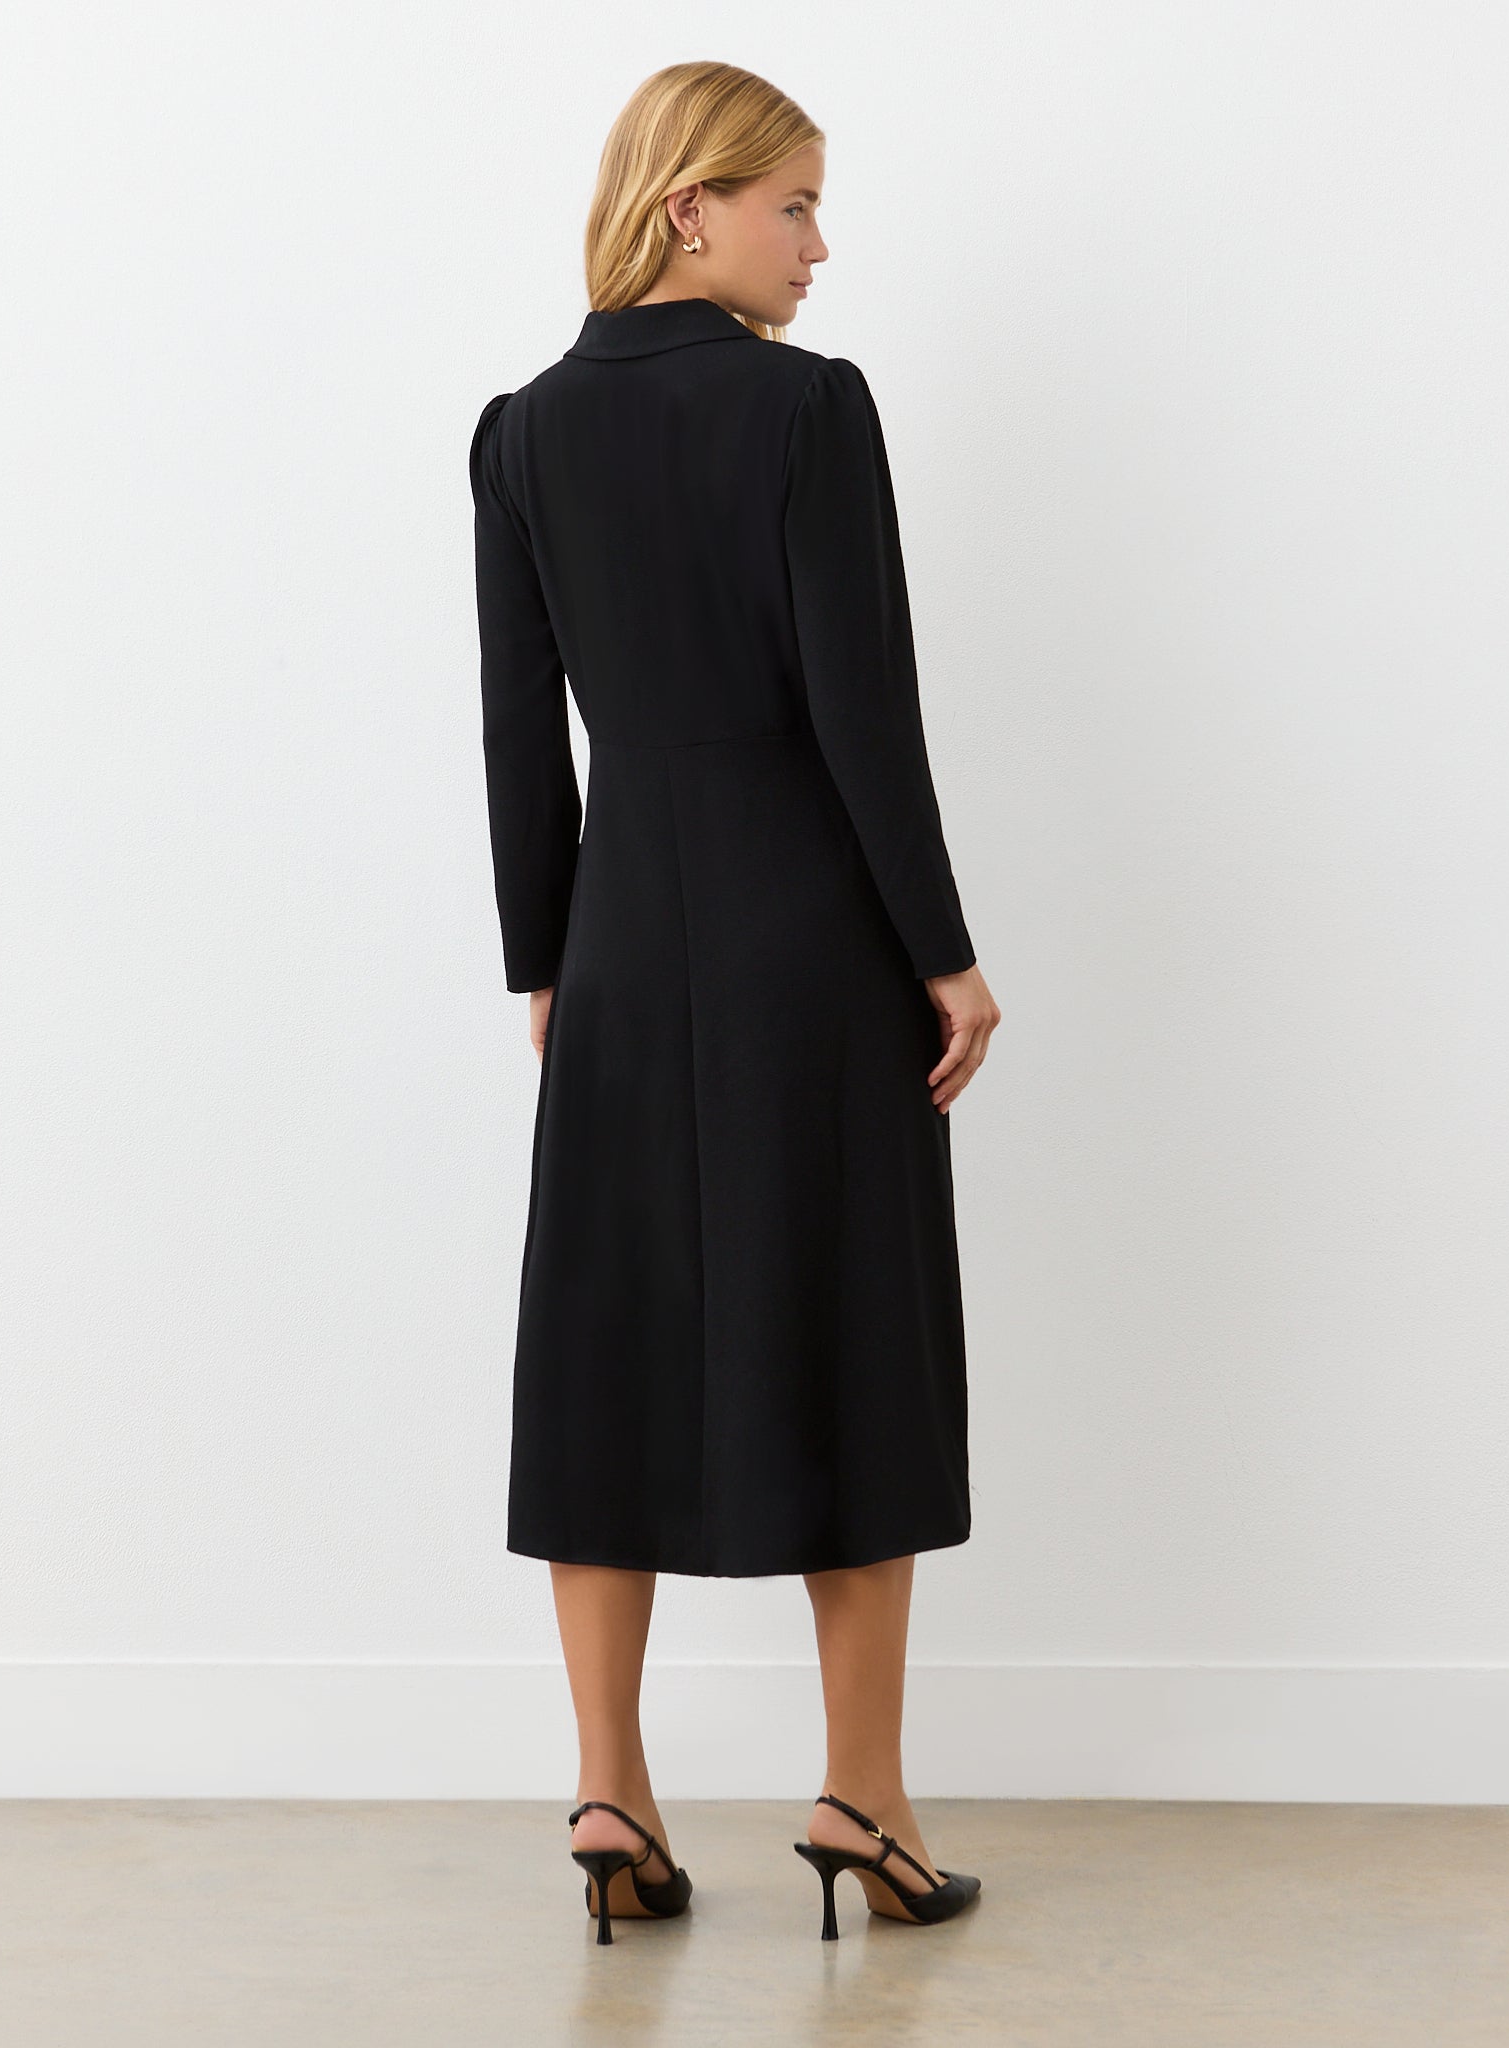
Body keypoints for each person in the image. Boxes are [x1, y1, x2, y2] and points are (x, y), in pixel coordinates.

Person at [468, 61, 1001, 1944]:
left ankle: (610, 1790)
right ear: (689, 207)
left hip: (623, 936)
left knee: (604, 1335)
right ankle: (865, 1802)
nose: (819, 243)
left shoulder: (522, 431)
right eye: (793, 206)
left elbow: (518, 733)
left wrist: (545, 959)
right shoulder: (804, 411)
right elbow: (865, 713)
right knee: (848, 1330)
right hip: (808, 937)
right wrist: (941, 949)